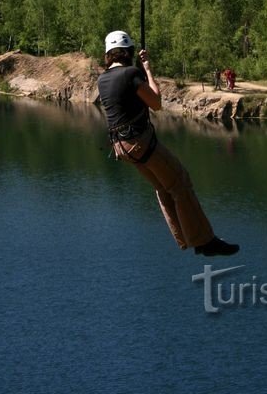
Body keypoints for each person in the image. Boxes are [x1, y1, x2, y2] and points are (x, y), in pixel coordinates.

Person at [97, 30, 239, 257]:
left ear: (108, 54)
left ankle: (185, 238)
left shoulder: (102, 79)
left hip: (121, 147)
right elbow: (156, 103)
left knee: (164, 187)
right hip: (140, 143)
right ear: (128, 52)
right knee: (180, 181)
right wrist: (148, 71)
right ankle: (205, 241)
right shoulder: (131, 73)